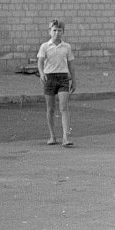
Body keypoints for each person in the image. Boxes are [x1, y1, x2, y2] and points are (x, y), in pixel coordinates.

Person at [37, 18, 76, 147]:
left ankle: (66, 137)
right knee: (50, 108)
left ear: (63, 32)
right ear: (50, 32)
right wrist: (42, 73)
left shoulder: (67, 47)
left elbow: (71, 64)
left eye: (59, 30)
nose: (57, 33)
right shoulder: (45, 46)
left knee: (64, 107)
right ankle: (52, 136)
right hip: (49, 78)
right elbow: (40, 62)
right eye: (54, 30)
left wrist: (74, 81)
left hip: (63, 78)